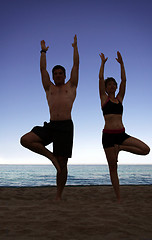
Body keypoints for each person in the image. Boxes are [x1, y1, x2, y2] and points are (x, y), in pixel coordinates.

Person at [20, 35, 79, 200]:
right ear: (53, 76)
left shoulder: (71, 86)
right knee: (25, 140)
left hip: (66, 127)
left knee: (63, 166)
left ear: (65, 75)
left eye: (61, 73)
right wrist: (43, 52)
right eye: (56, 74)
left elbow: (76, 65)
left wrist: (75, 47)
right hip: (51, 125)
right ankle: (50, 156)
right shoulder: (49, 88)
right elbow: (42, 70)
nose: (58, 75)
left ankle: (58, 195)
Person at [99, 52, 150, 202]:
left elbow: (124, 80)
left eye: (114, 84)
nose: (113, 86)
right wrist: (103, 64)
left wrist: (122, 64)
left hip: (121, 135)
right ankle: (119, 197)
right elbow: (100, 78)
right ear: (106, 88)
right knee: (113, 169)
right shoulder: (104, 99)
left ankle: (120, 148)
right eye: (110, 84)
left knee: (145, 150)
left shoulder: (120, 99)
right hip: (108, 136)